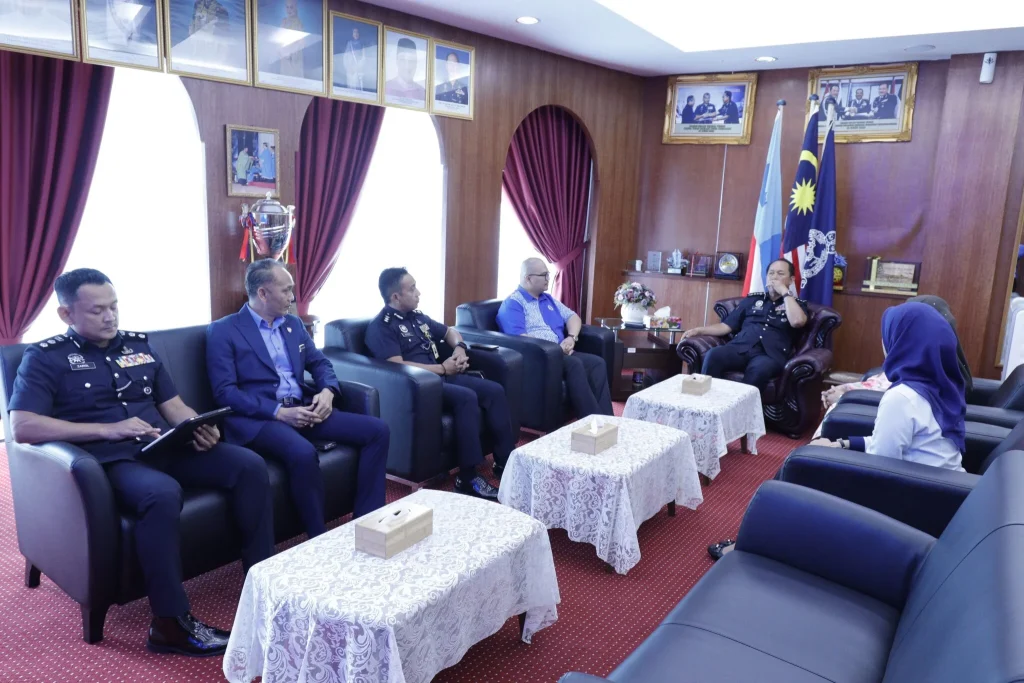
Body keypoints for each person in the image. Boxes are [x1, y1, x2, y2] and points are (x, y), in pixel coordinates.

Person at [7, 269, 273, 656]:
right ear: (66, 314)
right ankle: (169, 623)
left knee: (248, 465)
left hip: (162, 446)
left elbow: (174, 406)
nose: (110, 317)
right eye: (97, 310)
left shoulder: (138, 347)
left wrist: (199, 426)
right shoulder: (45, 358)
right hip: (108, 461)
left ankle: (263, 579)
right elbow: (22, 426)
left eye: (114, 307)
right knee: (161, 494)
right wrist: (107, 429)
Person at [709, 300, 968, 562]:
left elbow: (880, 469)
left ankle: (753, 544)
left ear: (902, 341)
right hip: (936, 493)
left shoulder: (902, 398)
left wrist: (827, 466)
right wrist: (841, 445)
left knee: (798, 467)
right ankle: (757, 539)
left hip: (911, 500)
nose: (883, 341)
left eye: (888, 333)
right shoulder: (939, 386)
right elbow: (897, 446)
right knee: (810, 459)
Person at [206, 260, 389, 538]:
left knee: (377, 431)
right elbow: (225, 392)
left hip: (303, 409)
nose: (292, 297)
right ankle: (318, 537)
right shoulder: (223, 330)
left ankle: (368, 521)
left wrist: (327, 392)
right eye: (286, 290)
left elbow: (320, 363)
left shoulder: (293, 324)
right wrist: (278, 412)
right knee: (303, 453)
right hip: (261, 419)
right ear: (263, 293)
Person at [365, 268, 512, 494]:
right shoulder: (382, 327)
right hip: (421, 388)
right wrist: (442, 368)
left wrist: (460, 349)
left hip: (443, 376)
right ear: (396, 296)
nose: (418, 293)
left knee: (494, 391)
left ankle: (506, 463)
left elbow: (449, 332)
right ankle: (468, 478)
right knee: (466, 398)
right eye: (412, 289)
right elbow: (396, 366)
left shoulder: (417, 317)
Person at [815, 295, 972, 437]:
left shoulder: (909, 389)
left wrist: (843, 399)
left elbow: (881, 453)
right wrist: (844, 390)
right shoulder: (935, 365)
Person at [497, 258, 613, 419]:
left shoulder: (547, 299)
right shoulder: (513, 303)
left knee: (597, 363)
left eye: (548, 274)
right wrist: (555, 350)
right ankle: (592, 421)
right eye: (543, 275)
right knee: (574, 364)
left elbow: (573, 317)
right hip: (540, 357)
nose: (548, 278)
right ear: (528, 278)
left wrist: (571, 338)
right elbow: (519, 340)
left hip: (561, 352)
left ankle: (608, 419)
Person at [682, 259, 809, 390]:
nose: (774, 277)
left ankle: (741, 404)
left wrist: (784, 292)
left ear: (791, 280)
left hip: (769, 355)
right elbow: (726, 326)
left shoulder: (796, 305)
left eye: (780, 274)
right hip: (740, 348)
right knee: (714, 355)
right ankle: (706, 400)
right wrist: (699, 330)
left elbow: (797, 321)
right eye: (771, 273)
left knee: (758, 370)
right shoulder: (752, 300)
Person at [386, 37, 425, 102]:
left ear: (416, 64)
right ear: (397, 61)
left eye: (412, 60)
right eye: (403, 60)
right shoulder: (386, 88)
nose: (407, 65)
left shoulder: (422, 93)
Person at [279, 0, 304, 78]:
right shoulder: (284, 21)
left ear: (295, 8)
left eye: (291, 7)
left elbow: (302, 42)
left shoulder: (298, 23)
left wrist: (295, 50)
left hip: (295, 55)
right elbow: (279, 38)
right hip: (285, 54)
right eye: (287, 7)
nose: (289, 10)